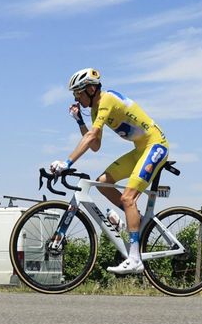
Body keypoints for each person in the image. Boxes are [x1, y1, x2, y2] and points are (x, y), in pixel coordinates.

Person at [49, 68, 169, 276]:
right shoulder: (95, 110)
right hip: (140, 149)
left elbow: (90, 138)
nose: (76, 98)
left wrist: (67, 162)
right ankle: (135, 223)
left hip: (155, 146)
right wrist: (80, 121)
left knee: (127, 198)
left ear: (91, 89)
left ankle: (134, 259)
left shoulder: (108, 100)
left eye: (78, 92)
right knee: (104, 183)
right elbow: (95, 145)